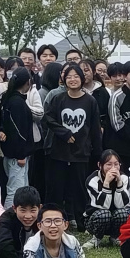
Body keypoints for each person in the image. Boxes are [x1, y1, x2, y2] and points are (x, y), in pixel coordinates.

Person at [41, 63, 100, 224]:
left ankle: (81, 220)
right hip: (59, 151)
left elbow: (95, 128)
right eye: (69, 77)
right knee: (56, 187)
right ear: (63, 79)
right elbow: (47, 118)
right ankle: (54, 218)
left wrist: (98, 153)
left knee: (80, 187)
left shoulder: (90, 101)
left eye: (76, 76)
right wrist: (64, 133)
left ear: (82, 78)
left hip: (81, 151)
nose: (72, 80)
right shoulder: (58, 98)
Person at [85, 150, 130, 246]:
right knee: (104, 213)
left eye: (116, 164)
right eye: (109, 164)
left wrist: (119, 183)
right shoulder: (92, 179)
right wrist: (106, 184)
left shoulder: (124, 178)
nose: (113, 168)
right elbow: (104, 205)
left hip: (114, 217)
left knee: (123, 213)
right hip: (95, 217)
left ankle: (115, 236)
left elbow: (120, 205)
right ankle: (96, 238)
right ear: (100, 165)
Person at [0, 185, 43, 258]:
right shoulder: (6, 220)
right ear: (14, 208)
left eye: (33, 210)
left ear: (40, 208)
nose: (28, 216)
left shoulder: (45, 219)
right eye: (23, 210)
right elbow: (3, 245)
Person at [0, 67, 38, 194]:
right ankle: (10, 213)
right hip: (16, 156)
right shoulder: (17, 102)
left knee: (20, 189)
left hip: (13, 153)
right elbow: (18, 130)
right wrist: (20, 155)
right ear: (28, 82)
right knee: (15, 190)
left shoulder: (10, 99)